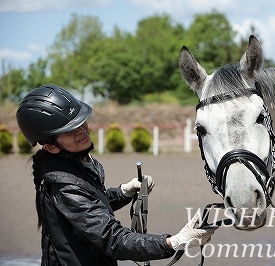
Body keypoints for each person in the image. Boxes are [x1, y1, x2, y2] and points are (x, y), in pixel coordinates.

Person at [16, 84, 217, 265]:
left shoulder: (71, 164)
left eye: (80, 122)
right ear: (51, 147)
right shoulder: (65, 186)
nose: (81, 131)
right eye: (69, 131)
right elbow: (112, 238)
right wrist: (173, 242)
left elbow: (91, 207)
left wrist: (123, 192)